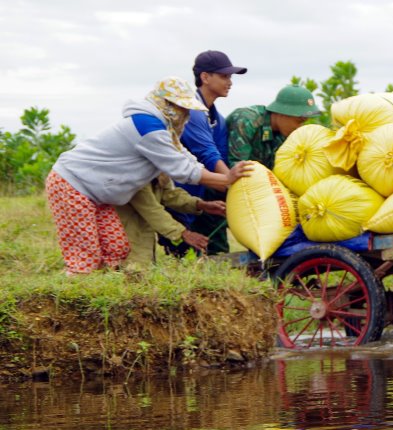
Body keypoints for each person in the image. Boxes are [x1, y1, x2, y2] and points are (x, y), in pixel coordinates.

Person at [45, 77, 251, 274]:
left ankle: (101, 290)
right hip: (73, 183)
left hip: (98, 193)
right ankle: (76, 294)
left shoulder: (163, 131)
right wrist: (225, 179)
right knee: (85, 257)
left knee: (116, 248)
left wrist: (202, 204)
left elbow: (183, 158)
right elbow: (181, 169)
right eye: (181, 108)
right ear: (165, 103)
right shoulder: (147, 127)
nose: (185, 115)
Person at [162, 50, 248, 256]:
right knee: (178, 253)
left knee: (200, 253)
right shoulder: (191, 111)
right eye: (224, 76)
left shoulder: (216, 118)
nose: (230, 82)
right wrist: (230, 182)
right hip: (173, 193)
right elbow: (208, 153)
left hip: (197, 195)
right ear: (205, 77)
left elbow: (220, 154)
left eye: (231, 77)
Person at [116, 177, 227, 265]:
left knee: (140, 271)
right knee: (130, 269)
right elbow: (151, 209)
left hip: (141, 233)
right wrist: (184, 233)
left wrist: (200, 204)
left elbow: (170, 194)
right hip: (124, 233)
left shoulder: (158, 169)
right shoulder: (131, 173)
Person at [227, 85, 321, 169]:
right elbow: (237, 167)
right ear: (283, 112)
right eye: (299, 121)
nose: (300, 127)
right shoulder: (247, 121)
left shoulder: (285, 135)